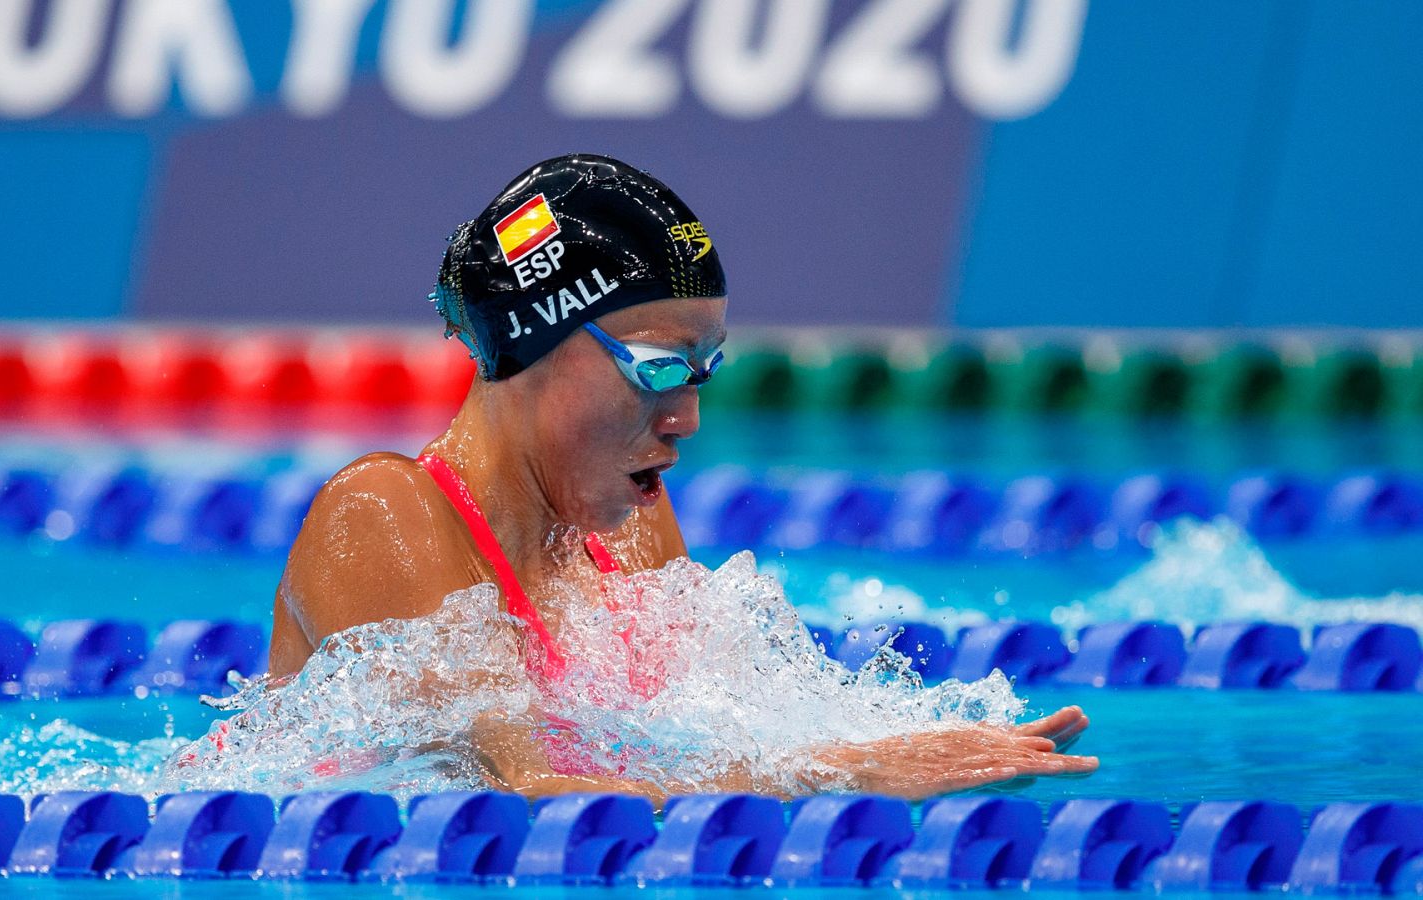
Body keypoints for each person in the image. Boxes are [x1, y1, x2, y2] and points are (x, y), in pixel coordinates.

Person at [268, 153, 1097, 802]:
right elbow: (522, 794)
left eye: (704, 371)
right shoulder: (384, 513)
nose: (686, 419)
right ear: (533, 348)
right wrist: (842, 775)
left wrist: (903, 747)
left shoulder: (624, 535)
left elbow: (716, 741)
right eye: (660, 370)